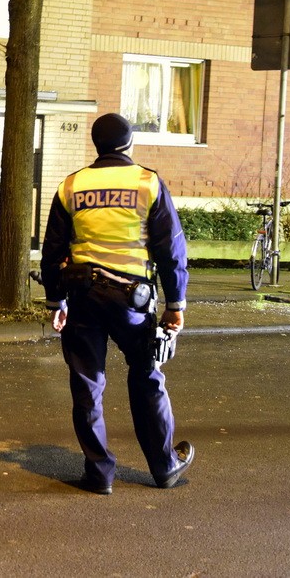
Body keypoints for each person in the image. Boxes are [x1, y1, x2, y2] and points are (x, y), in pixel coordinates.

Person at [39, 112, 194, 495]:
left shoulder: (71, 185)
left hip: (82, 297)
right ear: (129, 144)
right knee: (146, 377)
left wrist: (55, 300)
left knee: (87, 385)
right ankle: (163, 467)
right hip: (132, 301)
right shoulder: (147, 182)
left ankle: (99, 473)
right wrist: (176, 304)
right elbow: (170, 249)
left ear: (97, 144)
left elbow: (52, 250)